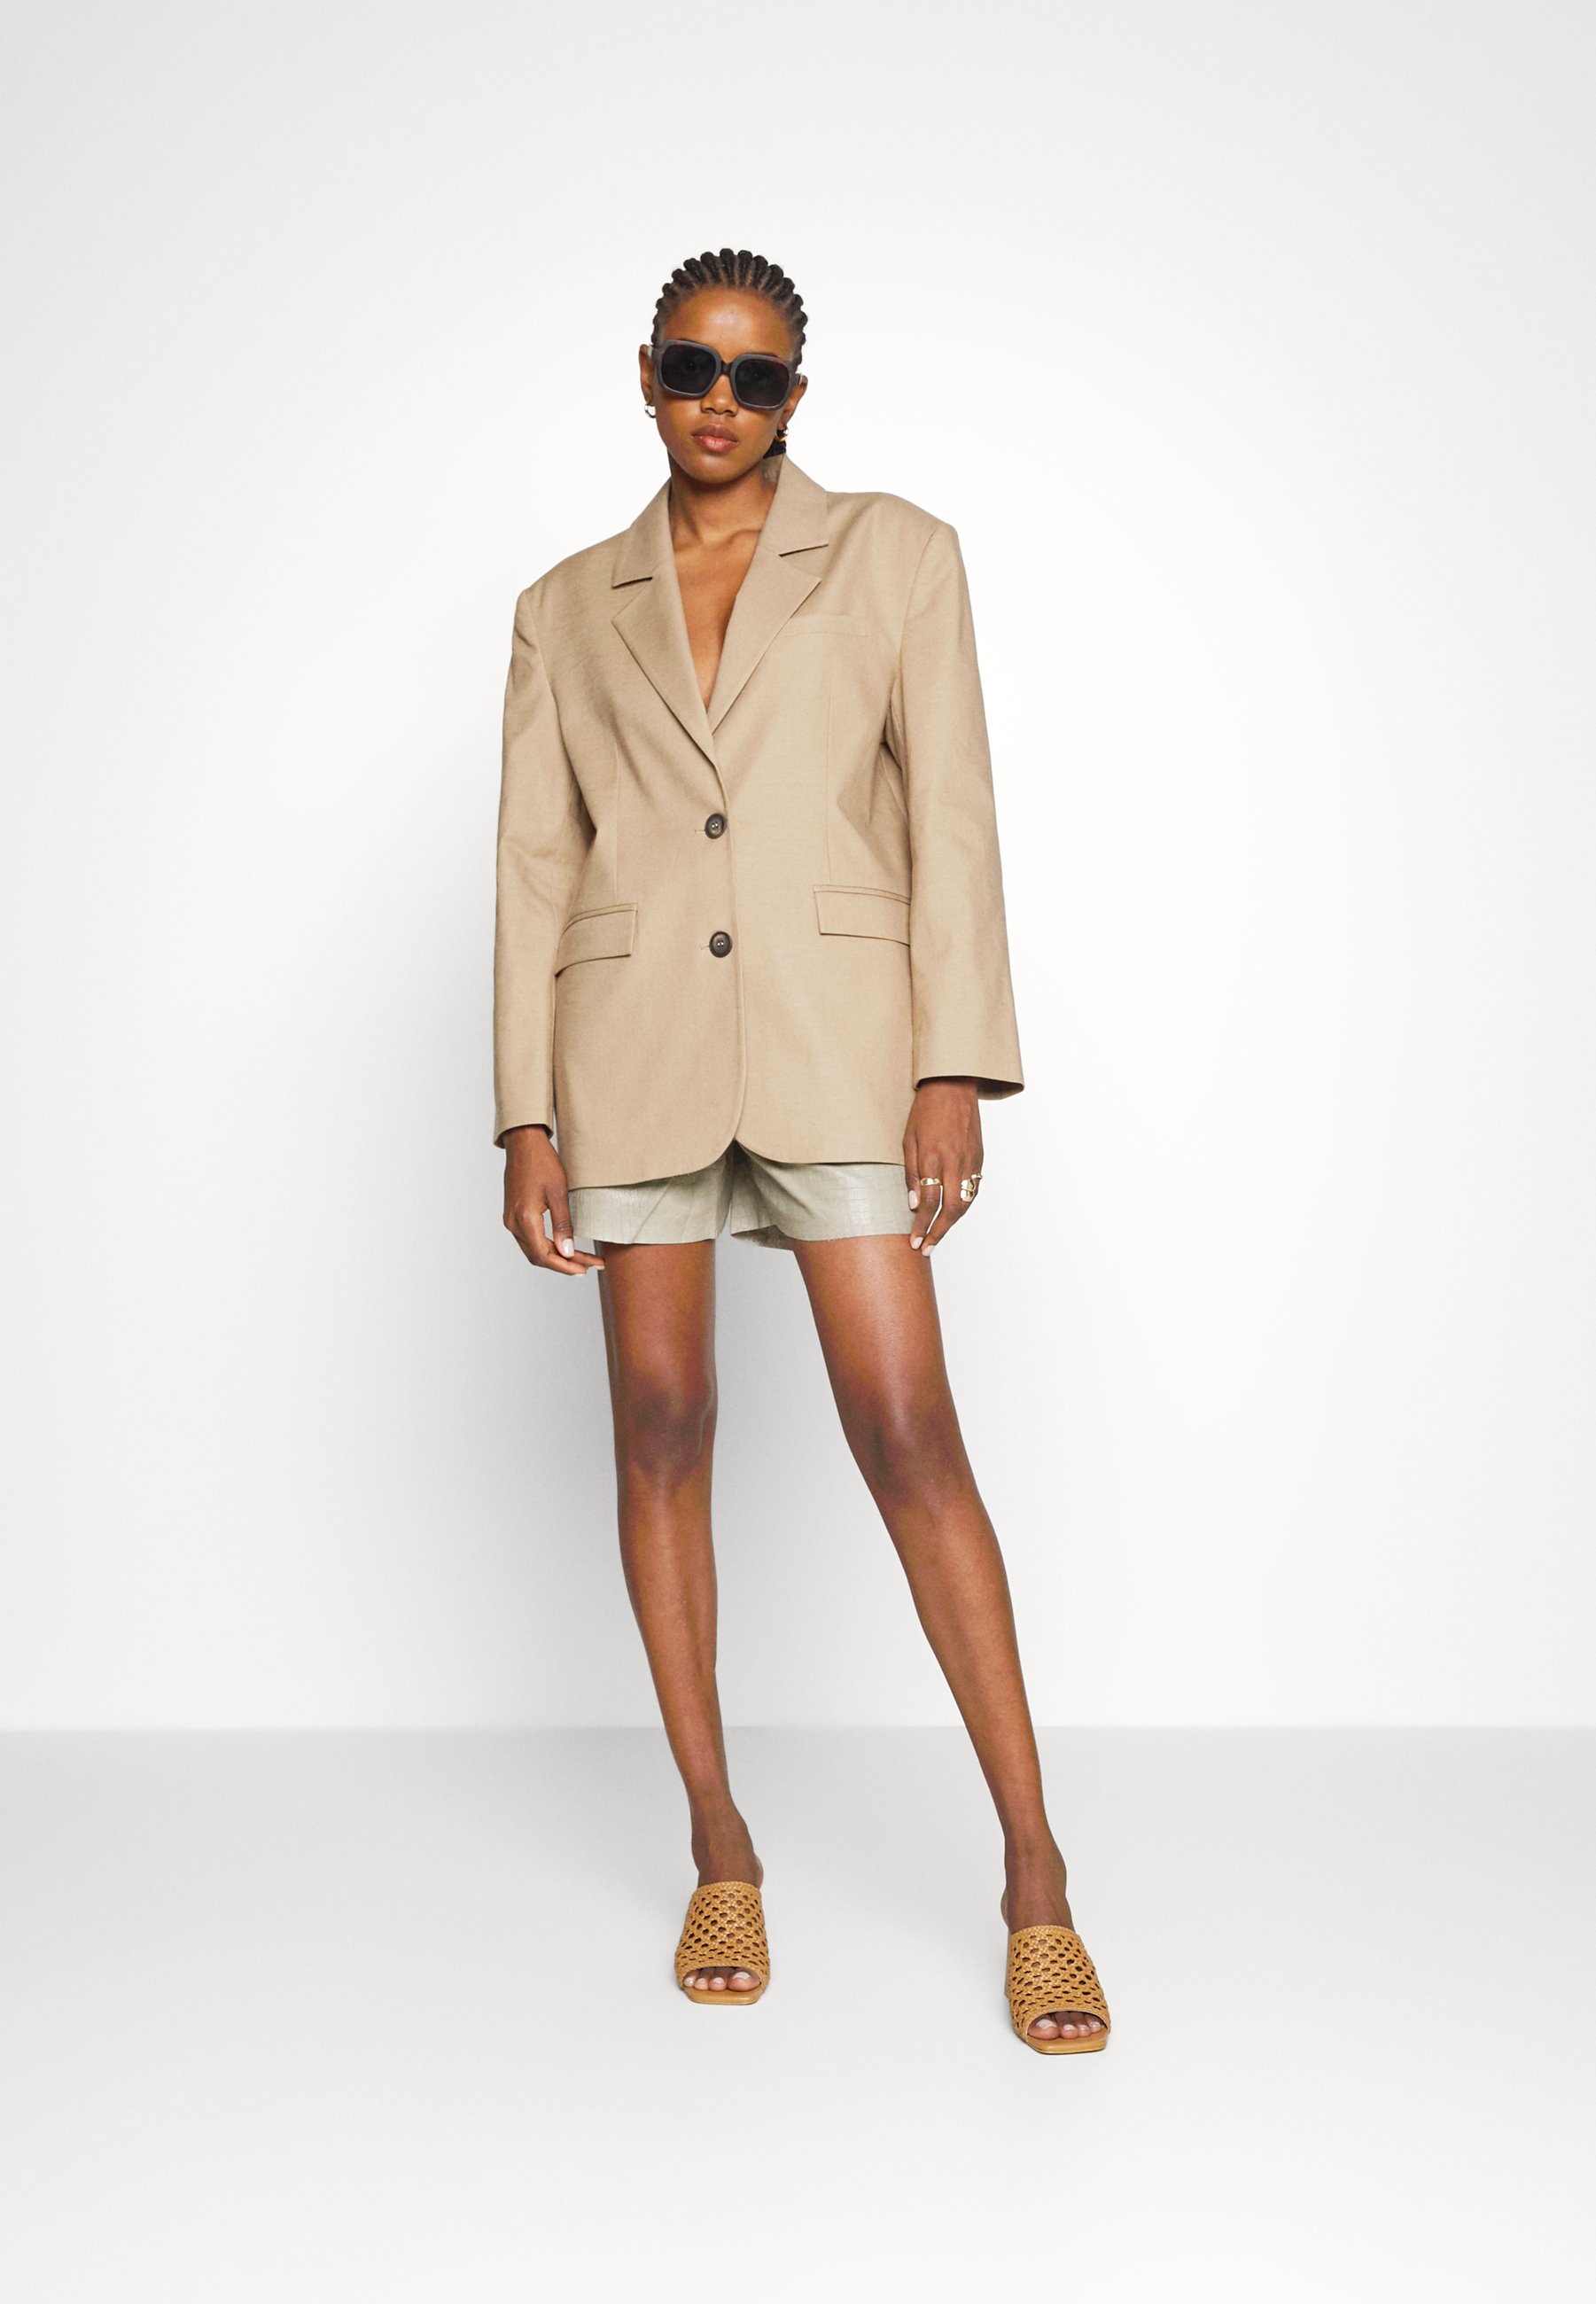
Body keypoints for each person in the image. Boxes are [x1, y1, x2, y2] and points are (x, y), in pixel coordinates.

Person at [493, 247, 1109, 2053]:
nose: (721, 401)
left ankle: (1035, 1874)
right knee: (660, 1423)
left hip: (844, 1044)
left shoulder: (898, 555)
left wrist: (952, 1065)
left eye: (755, 377)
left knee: (906, 1429)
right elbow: (535, 863)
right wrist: (524, 1108)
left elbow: (952, 815)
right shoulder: (563, 604)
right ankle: (717, 1840)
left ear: (796, 397)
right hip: (632, 1049)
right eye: (693, 367)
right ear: (645, 374)